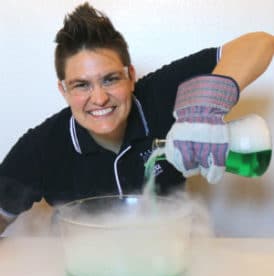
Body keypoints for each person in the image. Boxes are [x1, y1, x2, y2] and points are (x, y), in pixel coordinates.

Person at [0, 2, 273, 234]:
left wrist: (203, 107)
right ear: (64, 90)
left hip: (168, 261)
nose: (99, 98)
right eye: (81, 85)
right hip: (85, 271)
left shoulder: (158, 95)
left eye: (110, 79)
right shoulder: (42, 146)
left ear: (130, 76)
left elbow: (259, 43)